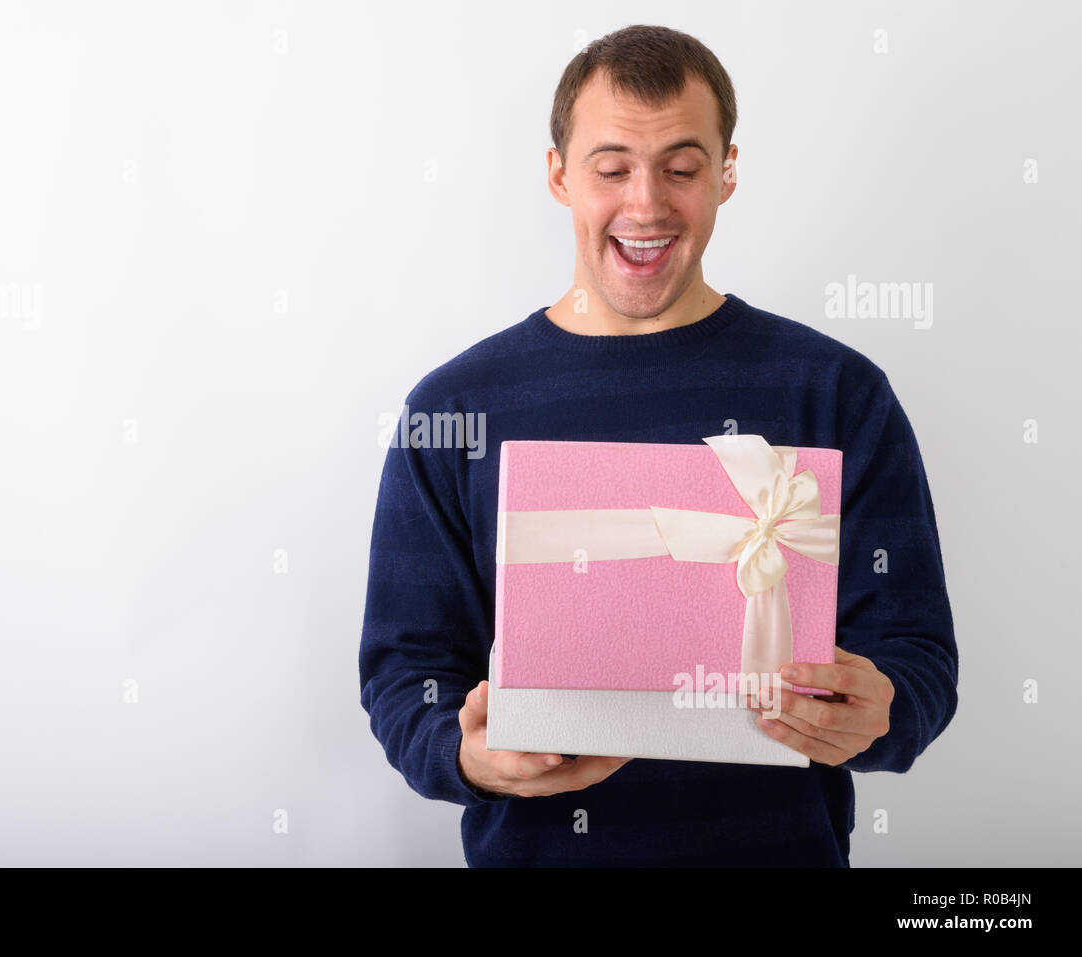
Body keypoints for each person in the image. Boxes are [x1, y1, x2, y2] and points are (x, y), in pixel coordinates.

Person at [358, 24, 957, 866]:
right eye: (611, 169)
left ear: (726, 174)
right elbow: (402, 671)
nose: (646, 204)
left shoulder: (837, 393)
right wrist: (462, 752)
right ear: (560, 174)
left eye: (681, 168)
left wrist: (884, 706)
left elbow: (920, 656)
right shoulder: (454, 410)